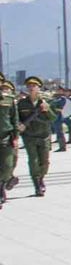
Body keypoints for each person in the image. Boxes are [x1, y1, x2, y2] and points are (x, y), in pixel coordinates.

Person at [18, 77, 55, 197]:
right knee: (33, 161)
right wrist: (20, 125)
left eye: (34, 86)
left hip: (44, 135)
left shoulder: (46, 101)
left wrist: (47, 110)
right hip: (29, 136)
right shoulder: (22, 103)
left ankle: (41, 178)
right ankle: (37, 184)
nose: (31, 88)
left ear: (39, 88)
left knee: (44, 162)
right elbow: (16, 118)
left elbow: (53, 118)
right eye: (29, 86)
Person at [0, 79, 18, 209]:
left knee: (7, 166)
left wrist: (15, 136)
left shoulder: (9, 99)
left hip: (5, 137)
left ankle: (2, 183)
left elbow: (14, 119)